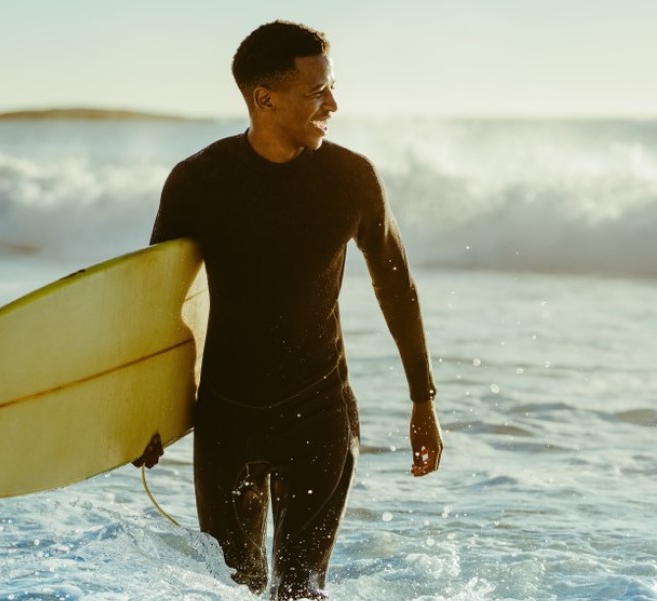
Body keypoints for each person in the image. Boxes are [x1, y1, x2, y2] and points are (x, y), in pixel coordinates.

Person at [146, 20, 443, 600]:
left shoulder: (351, 178)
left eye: (332, 87)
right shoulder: (198, 181)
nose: (333, 104)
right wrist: (144, 413)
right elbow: (158, 306)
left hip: (319, 410)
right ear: (265, 98)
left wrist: (422, 399)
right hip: (226, 418)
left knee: (301, 591)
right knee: (237, 588)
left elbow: (396, 285)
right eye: (317, 92)